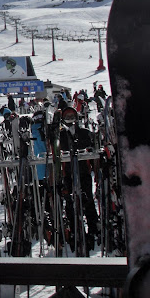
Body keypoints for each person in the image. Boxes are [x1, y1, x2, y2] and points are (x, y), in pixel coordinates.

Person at [58, 107, 99, 251]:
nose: (70, 118)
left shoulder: (84, 133)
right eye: (67, 116)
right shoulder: (60, 135)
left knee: (88, 200)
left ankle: (93, 229)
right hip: (68, 173)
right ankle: (74, 229)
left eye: (72, 115)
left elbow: (93, 148)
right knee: (70, 202)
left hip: (83, 172)